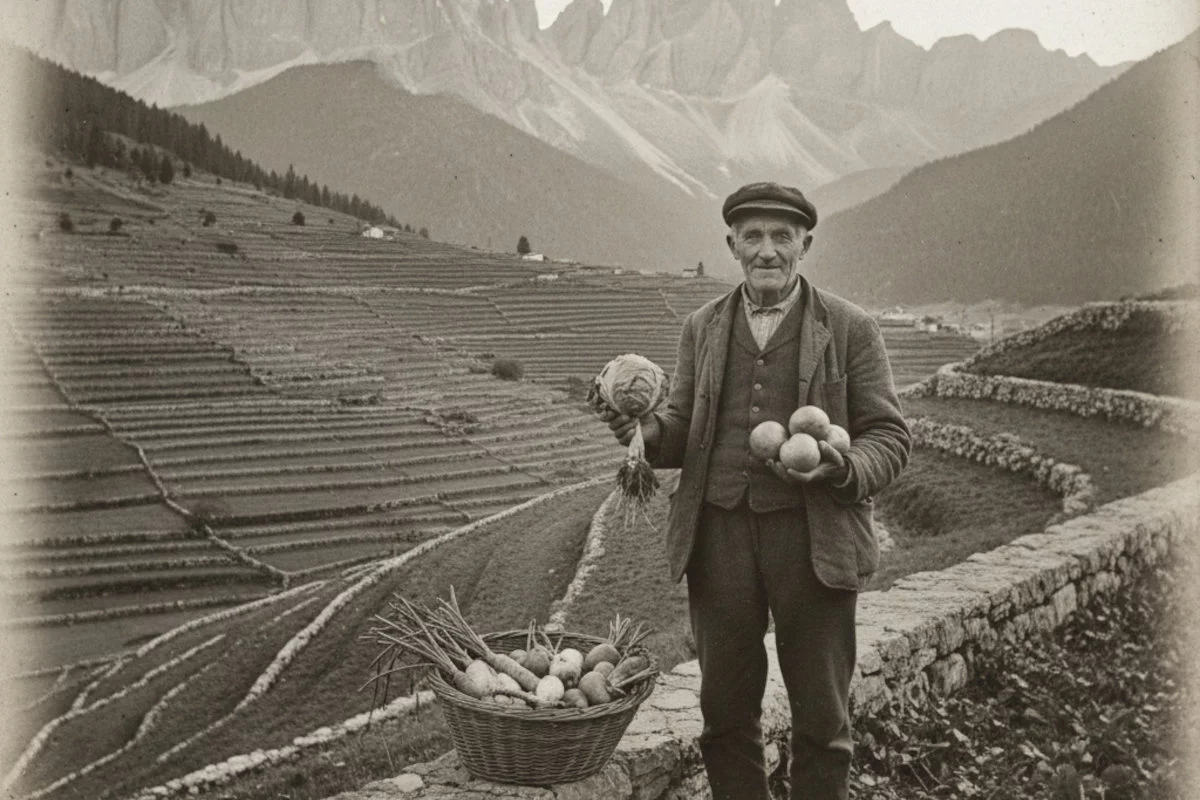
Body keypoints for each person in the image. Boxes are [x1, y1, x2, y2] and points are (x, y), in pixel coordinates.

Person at [599, 182, 911, 799]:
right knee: (724, 713)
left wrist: (839, 468)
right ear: (732, 245)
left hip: (813, 541)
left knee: (822, 717)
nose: (767, 251)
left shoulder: (850, 328)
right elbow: (683, 429)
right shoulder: (702, 327)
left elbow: (889, 437)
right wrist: (641, 431)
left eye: (781, 237)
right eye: (753, 237)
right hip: (720, 540)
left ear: (805, 245)